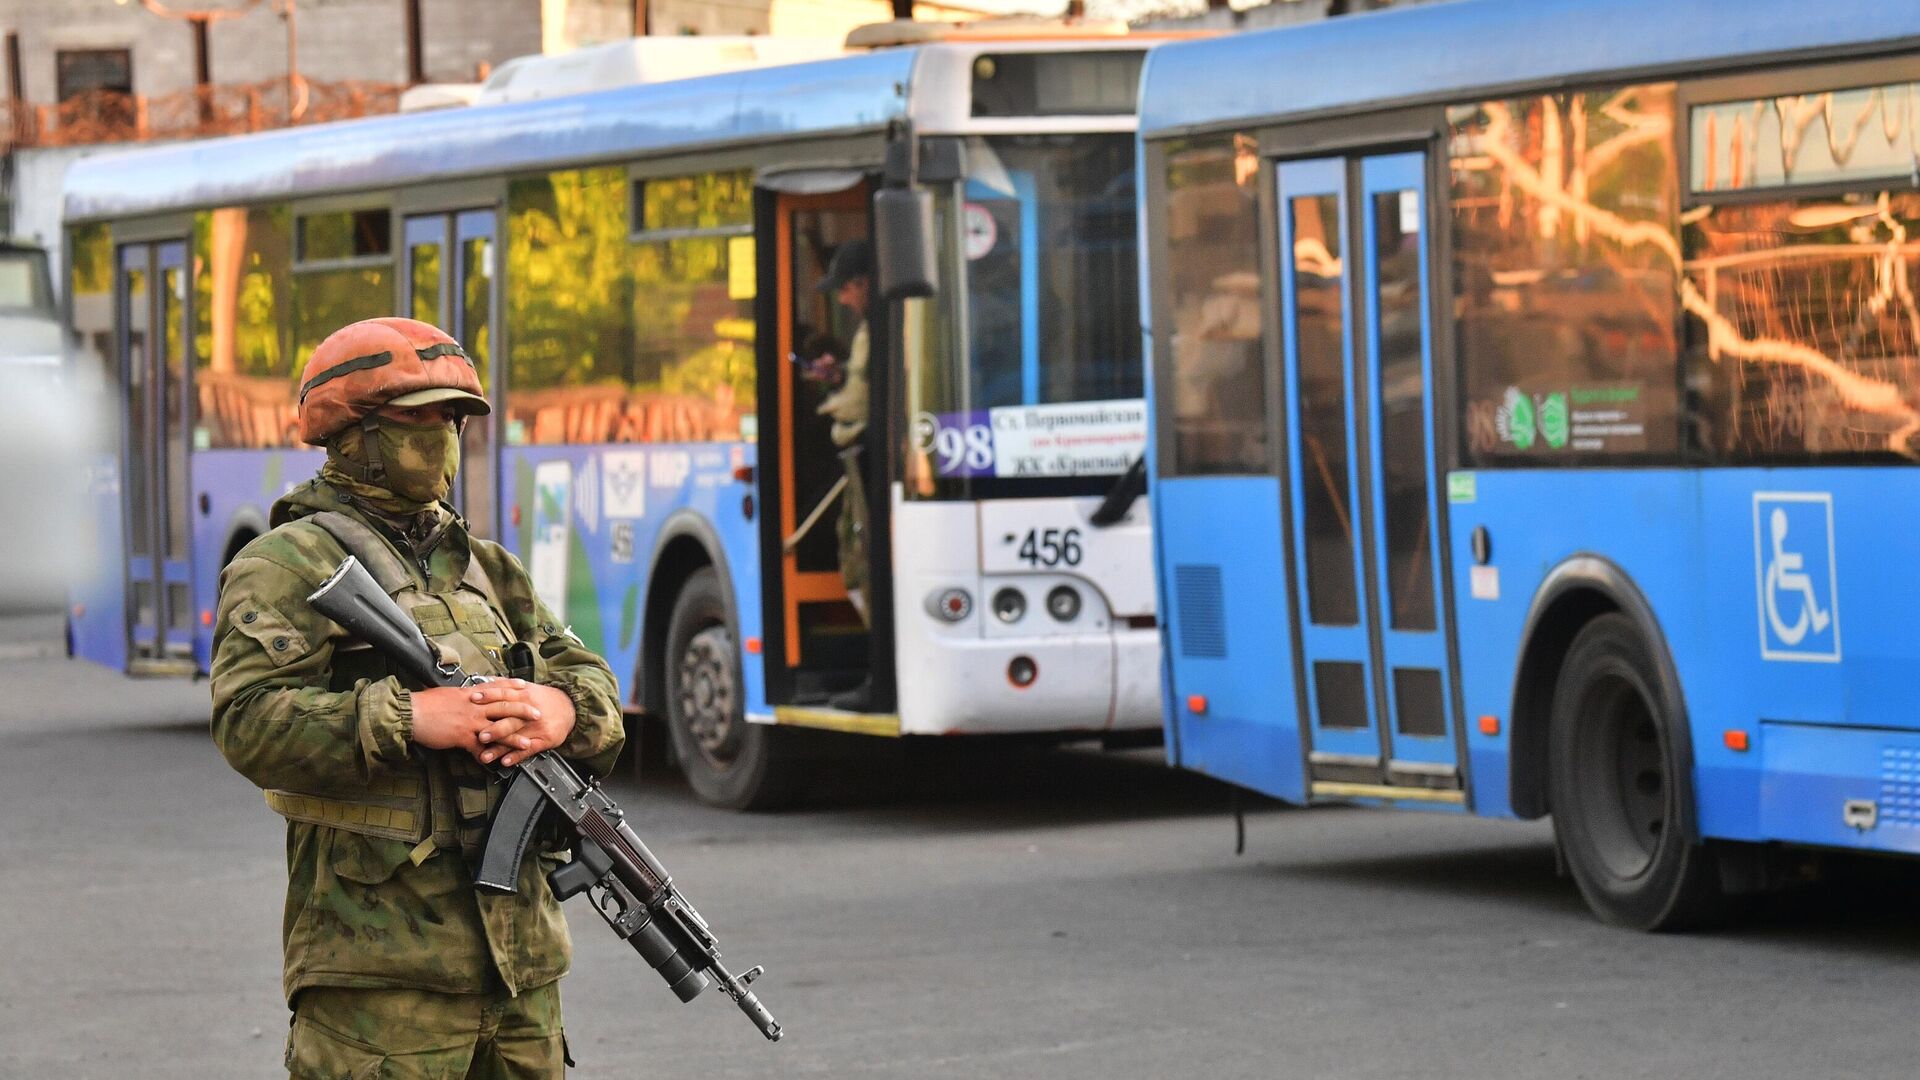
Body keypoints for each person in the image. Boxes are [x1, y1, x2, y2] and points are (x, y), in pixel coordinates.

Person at [210, 316, 626, 1079]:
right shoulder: (287, 563)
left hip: (520, 973)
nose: (442, 437)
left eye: (452, 419)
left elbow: (588, 674)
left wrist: (561, 712)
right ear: (354, 435)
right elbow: (248, 722)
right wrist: (410, 718)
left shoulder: (487, 568)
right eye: (417, 419)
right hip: (379, 977)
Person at [815, 239, 872, 627]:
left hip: (866, 462)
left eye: (846, 289)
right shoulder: (872, 327)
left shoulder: (876, 327)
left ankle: (879, 663)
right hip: (862, 462)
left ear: (864, 282)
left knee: (857, 559)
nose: (844, 300)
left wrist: (828, 403)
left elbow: (859, 403)